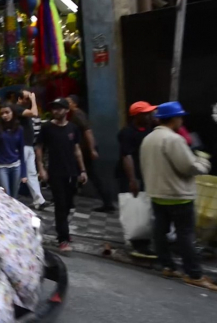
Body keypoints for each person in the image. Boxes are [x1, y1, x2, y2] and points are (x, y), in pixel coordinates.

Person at [140, 101, 217, 291]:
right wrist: (203, 161)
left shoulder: (149, 138)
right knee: (186, 235)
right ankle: (194, 274)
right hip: (178, 195)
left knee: (160, 230)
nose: (181, 120)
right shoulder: (173, 139)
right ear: (173, 118)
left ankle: (167, 266)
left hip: (157, 194)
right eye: (180, 116)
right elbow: (189, 167)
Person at [36, 98, 88, 253]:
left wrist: (83, 170)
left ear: (66, 111)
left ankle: (63, 230)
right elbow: (39, 148)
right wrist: (41, 168)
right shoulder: (47, 128)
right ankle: (63, 239)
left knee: (69, 204)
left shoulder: (73, 128)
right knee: (60, 205)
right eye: (54, 109)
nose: (55, 111)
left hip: (71, 172)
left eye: (59, 108)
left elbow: (77, 150)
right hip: (55, 172)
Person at [117, 101, 157, 259]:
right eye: (146, 113)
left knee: (145, 209)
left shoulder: (150, 129)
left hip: (146, 173)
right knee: (135, 209)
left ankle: (144, 242)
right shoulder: (127, 133)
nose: (149, 115)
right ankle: (137, 244)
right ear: (137, 116)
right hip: (130, 175)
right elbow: (126, 156)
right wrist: (132, 180)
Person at [67, 94, 115, 213]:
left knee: (90, 175)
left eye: (68, 102)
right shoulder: (75, 114)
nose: (66, 104)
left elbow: (87, 131)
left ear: (74, 104)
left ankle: (107, 202)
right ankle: (69, 200)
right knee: (79, 174)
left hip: (85, 150)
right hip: (83, 149)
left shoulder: (77, 114)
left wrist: (92, 149)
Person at [14, 89, 49, 209]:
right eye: (26, 98)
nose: (28, 100)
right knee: (18, 174)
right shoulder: (17, 108)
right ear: (19, 99)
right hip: (21, 146)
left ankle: (39, 200)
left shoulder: (25, 111)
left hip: (28, 146)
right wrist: (33, 99)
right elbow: (35, 113)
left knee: (31, 173)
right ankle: (8, 199)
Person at [0, 104, 27, 198]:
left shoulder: (19, 128)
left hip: (16, 165)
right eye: (2, 113)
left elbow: (22, 150)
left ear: (12, 113)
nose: (4, 115)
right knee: (6, 195)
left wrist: (24, 173)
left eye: (7, 112)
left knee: (14, 196)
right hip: (1, 166)